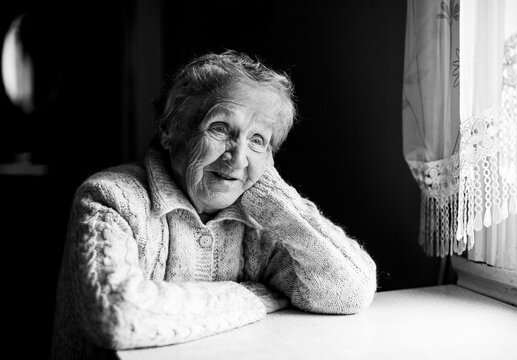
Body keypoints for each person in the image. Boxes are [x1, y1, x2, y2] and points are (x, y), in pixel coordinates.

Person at [50, 51, 377, 360]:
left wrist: (268, 190)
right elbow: (118, 316)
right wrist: (255, 296)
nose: (237, 157)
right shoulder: (111, 197)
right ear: (170, 130)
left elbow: (350, 290)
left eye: (257, 140)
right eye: (220, 129)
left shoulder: (261, 221)